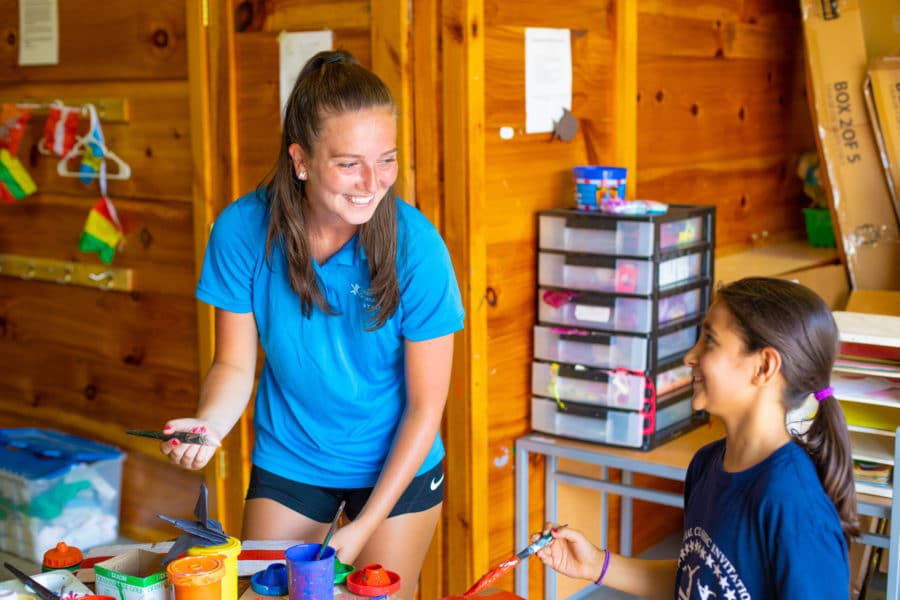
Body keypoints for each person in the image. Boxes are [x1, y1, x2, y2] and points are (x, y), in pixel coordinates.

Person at [159, 49, 464, 598]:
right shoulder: (242, 231)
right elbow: (232, 364)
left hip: (397, 461)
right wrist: (208, 426)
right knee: (267, 594)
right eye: (349, 163)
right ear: (300, 160)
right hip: (292, 455)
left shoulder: (417, 247)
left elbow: (426, 407)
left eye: (387, 159)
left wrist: (365, 526)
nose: (373, 182)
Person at [535, 277, 858, 599]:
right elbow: (699, 582)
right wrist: (595, 565)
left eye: (710, 340)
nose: (690, 356)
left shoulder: (793, 503)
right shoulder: (707, 464)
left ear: (763, 366)